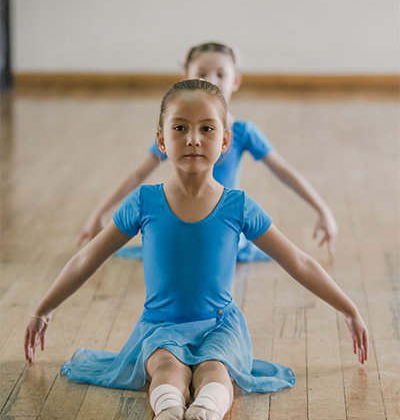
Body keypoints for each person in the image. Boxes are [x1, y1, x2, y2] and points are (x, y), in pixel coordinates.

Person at [25, 80, 367, 420]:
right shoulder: (144, 202)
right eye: (180, 128)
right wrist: (43, 308)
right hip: (160, 324)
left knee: (216, 367)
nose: (193, 138)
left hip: (220, 324)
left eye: (206, 128)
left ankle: (207, 409)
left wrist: (349, 309)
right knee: (164, 365)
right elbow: (87, 258)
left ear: (224, 142)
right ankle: (169, 405)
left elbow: (298, 261)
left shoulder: (238, 205)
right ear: (161, 140)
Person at [78, 42, 338, 261]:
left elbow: (284, 172)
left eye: (221, 74)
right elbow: (137, 175)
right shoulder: (177, 135)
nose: (210, 81)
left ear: (235, 81)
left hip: (224, 229)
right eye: (201, 72)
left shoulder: (244, 132)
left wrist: (323, 210)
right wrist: (97, 214)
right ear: (186, 78)